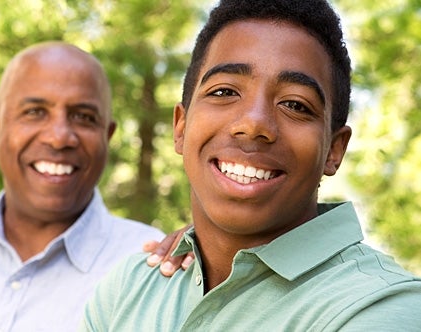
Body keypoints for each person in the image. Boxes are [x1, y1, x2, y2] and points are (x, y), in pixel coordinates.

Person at [82, 0, 421, 330]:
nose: (254, 123)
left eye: (295, 104)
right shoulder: (131, 287)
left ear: (334, 150)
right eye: (224, 92)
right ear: (181, 128)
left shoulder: (381, 307)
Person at [0, 42, 187, 331]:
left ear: (107, 137)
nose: (59, 137)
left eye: (83, 116)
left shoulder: (157, 272)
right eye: (35, 112)